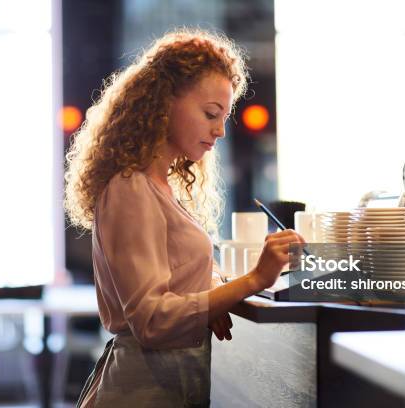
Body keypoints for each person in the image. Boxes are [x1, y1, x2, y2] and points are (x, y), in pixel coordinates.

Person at [64, 29, 304, 407]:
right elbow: (152, 319)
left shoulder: (157, 185)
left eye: (223, 117)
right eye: (210, 113)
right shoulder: (131, 188)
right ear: (163, 103)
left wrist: (210, 300)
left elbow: (174, 281)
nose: (220, 130)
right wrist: (256, 279)